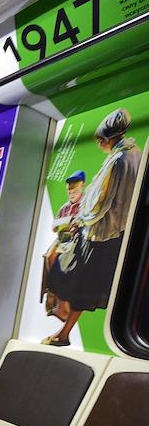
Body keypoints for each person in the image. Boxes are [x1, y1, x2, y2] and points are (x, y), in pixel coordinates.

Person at [44, 108, 142, 347]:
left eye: (99, 140)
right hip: (118, 232)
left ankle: (63, 334)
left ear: (108, 138)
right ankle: (64, 329)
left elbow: (100, 203)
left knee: (76, 284)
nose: (98, 144)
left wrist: (80, 220)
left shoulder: (117, 161)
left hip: (100, 234)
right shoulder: (135, 153)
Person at [41, 170, 86, 321]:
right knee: (49, 256)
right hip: (63, 239)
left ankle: (63, 301)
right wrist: (61, 223)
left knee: (67, 264)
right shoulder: (64, 208)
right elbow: (54, 227)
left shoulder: (86, 203)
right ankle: (51, 291)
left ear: (82, 187)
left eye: (74, 191)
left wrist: (76, 224)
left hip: (79, 239)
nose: (72, 195)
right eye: (69, 192)